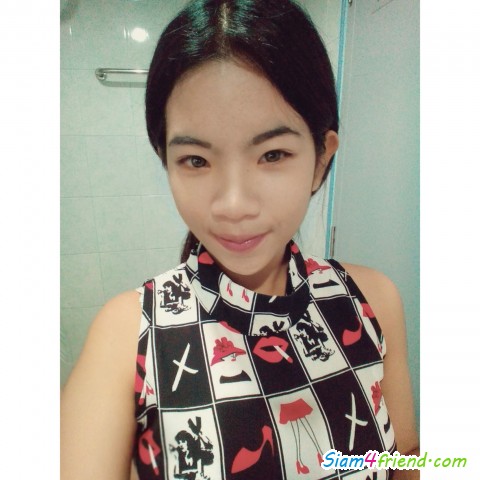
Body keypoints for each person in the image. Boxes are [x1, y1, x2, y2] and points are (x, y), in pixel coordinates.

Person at [61, 0, 419, 479]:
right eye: (196, 160)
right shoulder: (127, 335)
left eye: (272, 154)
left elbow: (405, 456)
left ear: (321, 159)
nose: (233, 205)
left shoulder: (372, 300)